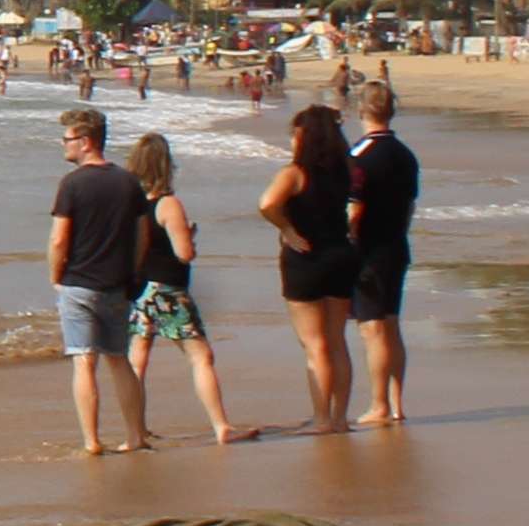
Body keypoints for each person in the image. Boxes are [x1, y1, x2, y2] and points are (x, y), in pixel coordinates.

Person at [122, 129, 243, 442]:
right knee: (200, 356)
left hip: (139, 290)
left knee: (137, 359)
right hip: (168, 289)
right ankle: (221, 426)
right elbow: (184, 254)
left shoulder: (131, 206)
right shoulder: (167, 205)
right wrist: (189, 238)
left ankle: (137, 429)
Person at [46, 106, 150, 455]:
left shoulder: (72, 184)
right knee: (119, 359)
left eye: (68, 139)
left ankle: (92, 440)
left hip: (79, 282)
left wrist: (55, 276)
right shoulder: (127, 181)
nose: (64, 145)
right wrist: (133, 271)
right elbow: (142, 234)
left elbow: (60, 239)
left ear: (86, 142)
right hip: (117, 283)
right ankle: (136, 435)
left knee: (84, 360)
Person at [259, 99, 359, 436]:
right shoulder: (346, 169)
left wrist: (286, 229)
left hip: (306, 258)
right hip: (341, 255)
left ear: (305, 137)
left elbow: (266, 204)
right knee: (337, 341)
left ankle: (321, 419)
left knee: (315, 345)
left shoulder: (294, 173)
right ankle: (340, 417)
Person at [348, 82, 421, 426]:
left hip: (369, 250)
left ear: (362, 109)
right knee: (391, 325)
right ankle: (396, 402)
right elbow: (408, 206)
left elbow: (354, 208)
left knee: (373, 329)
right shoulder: (406, 154)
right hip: (396, 244)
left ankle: (378, 404)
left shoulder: (360, 154)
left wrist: (347, 241)